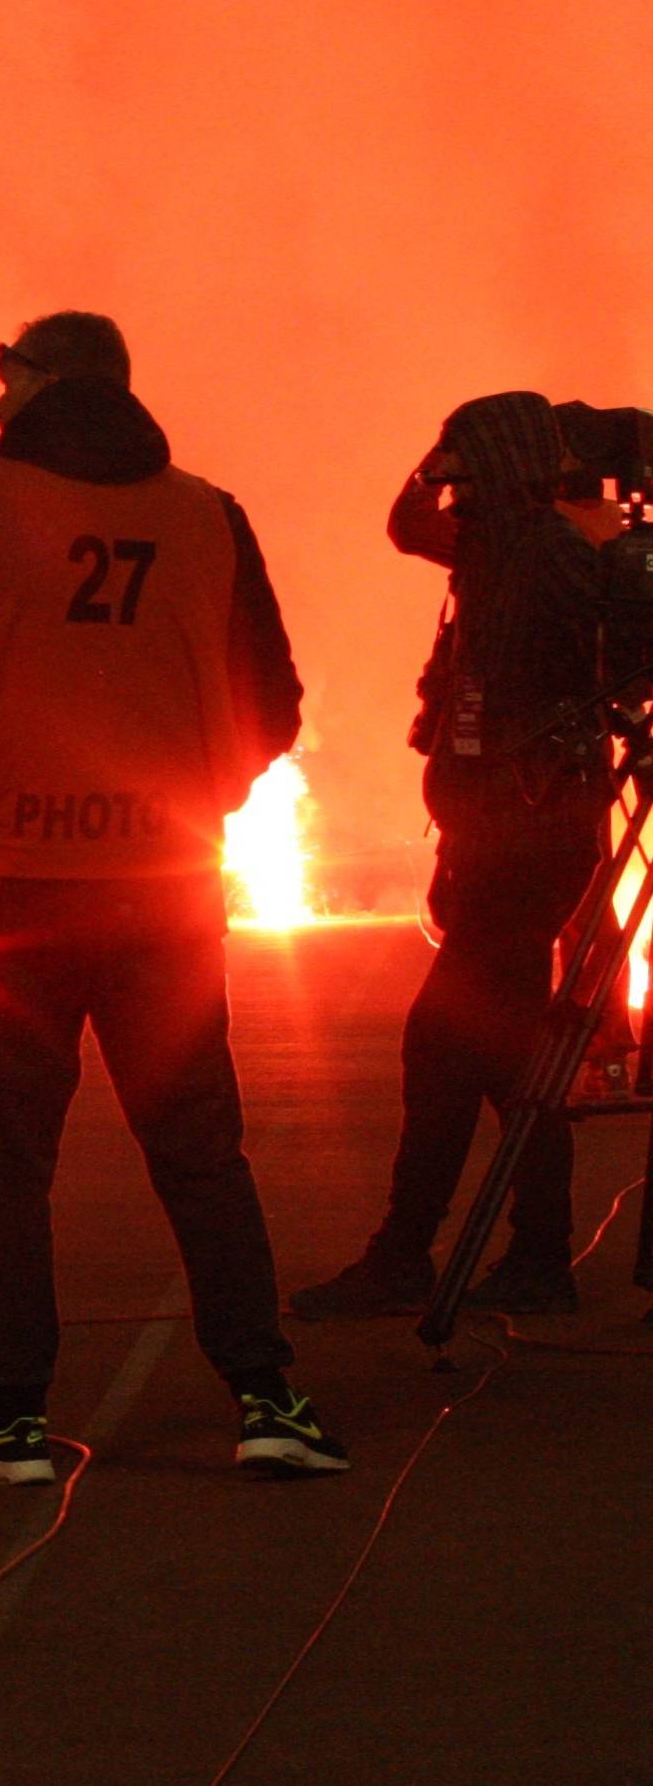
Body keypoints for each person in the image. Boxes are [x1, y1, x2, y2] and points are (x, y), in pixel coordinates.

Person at [0, 312, 347, 1480]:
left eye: (7, 378)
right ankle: (266, 1396)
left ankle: (15, 1418)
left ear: (45, 382)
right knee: (200, 1147)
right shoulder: (207, 511)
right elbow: (275, 695)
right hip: (165, 883)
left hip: (12, 881)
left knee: (8, 1159)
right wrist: (203, 790)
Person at [293, 393, 607, 1323]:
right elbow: (404, 525)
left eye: (469, 470)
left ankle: (417, 1258)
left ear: (503, 469)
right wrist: (435, 464)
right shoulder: (489, 546)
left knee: (454, 1046)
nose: (453, 492)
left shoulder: (548, 556)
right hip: (489, 833)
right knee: (504, 1056)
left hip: (530, 832)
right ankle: (525, 1258)